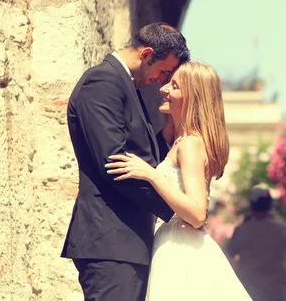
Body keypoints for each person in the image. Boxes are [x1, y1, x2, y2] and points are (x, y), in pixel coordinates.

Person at [60, 22, 190, 301]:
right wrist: (176, 209)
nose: (162, 81)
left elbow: (141, 157)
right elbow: (115, 163)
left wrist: (169, 131)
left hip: (128, 242)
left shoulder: (127, 85)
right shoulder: (103, 82)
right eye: (164, 71)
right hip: (109, 241)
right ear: (146, 54)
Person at [105, 62, 252, 300]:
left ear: (192, 97)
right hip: (176, 242)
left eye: (174, 86)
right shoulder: (181, 141)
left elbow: (197, 214)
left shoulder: (190, 145)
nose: (163, 89)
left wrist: (151, 174)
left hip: (180, 248)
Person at [226, 186, 286, 301]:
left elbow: (229, 253)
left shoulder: (242, 230)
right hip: (279, 292)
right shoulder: (284, 229)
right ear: (271, 205)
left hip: (249, 292)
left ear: (251, 206)